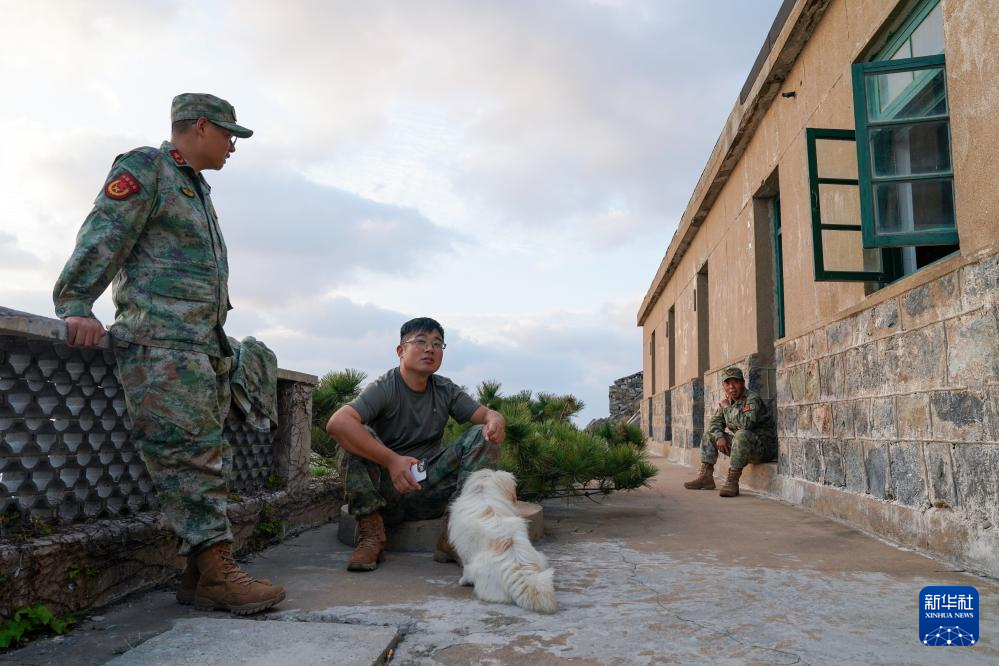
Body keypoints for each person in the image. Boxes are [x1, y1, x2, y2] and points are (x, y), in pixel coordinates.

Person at [52, 93, 285, 615]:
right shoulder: (145, 168)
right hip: (160, 345)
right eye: (228, 134)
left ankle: (197, 577)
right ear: (199, 127)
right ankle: (220, 575)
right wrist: (75, 301)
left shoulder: (195, 187)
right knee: (192, 462)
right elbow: (105, 232)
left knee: (204, 457)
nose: (232, 145)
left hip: (197, 347)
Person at [326, 317, 506, 571]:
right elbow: (337, 423)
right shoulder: (385, 387)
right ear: (401, 351)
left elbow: (485, 415)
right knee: (354, 436)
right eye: (420, 342)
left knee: (482, 436)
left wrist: (495, 419)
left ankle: (453, 537)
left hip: (429, 489)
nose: (430, 349)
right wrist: (391, 460)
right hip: (387, 492)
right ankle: (371, 536)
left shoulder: (445, 389)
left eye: (437, 344)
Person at [683, 367, 777, 497]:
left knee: (741, 434)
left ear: (742, 383)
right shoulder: (728, 401)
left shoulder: (751, 399)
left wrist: (727, 408)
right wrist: (719, 436)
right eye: (727, 383)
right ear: (724, 386)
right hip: (742, 446)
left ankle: (732, 482)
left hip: (762, 449)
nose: (731, 387)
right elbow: (714, 424)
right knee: (709, 435)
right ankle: (706, 477)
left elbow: (746, 424)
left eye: (735, 382)